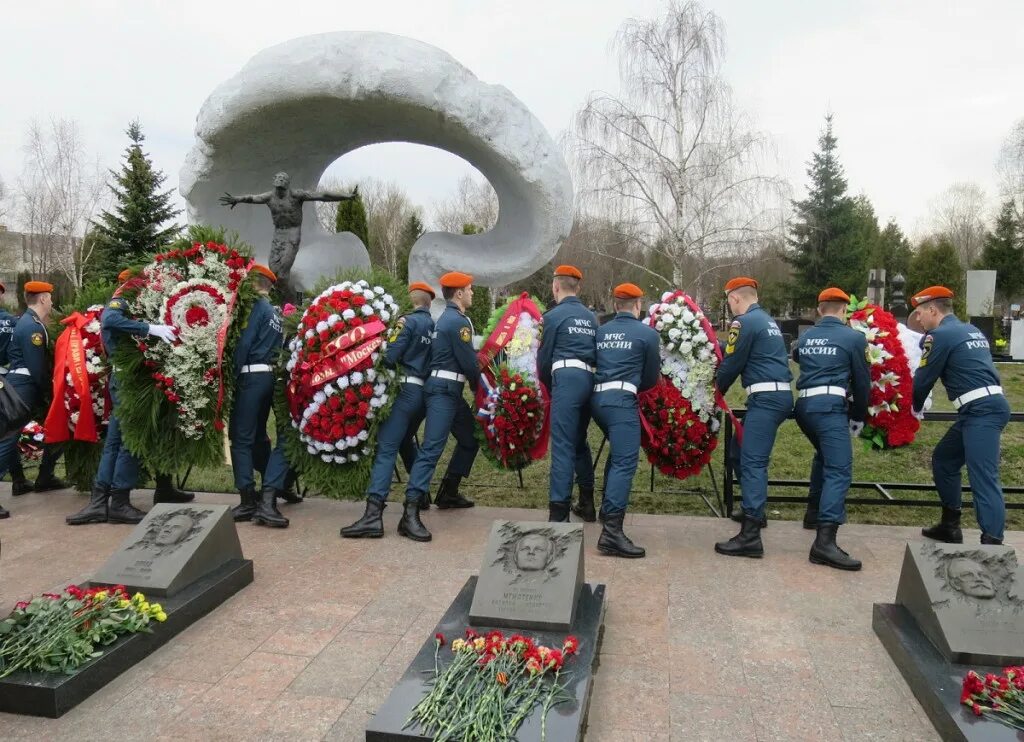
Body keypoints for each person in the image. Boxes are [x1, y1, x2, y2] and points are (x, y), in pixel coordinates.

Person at [66, 271, 177, 525]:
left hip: (124, 380)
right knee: (129, 442)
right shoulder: (122, 299)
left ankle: (99, 501)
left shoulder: (130, 300)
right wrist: (149, 328)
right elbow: (110, 320)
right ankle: (119, 503)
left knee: (115, 442)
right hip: (128, 382)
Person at [910, 285, 1011, 546]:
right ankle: (950, 526)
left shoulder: (939, 335)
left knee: (983, 476)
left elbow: (923, 380)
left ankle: (993, 544)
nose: (917, 319)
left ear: (933, 310)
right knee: (944, 460)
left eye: (920, 313)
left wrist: (913, 409)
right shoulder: (970, 329)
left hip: (982, 412)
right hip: (978, 409)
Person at [342, 281, 436, 539]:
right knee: (407, 441)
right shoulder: (433, 326)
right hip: (421, 394)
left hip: (402, 391)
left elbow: (390, 355)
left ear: (411, 301)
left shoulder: (407, 322)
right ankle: (421, 496)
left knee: (386, 450)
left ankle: (373, 516)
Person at [791, 287, 870, 571]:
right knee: (839, 468)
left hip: (804, 407)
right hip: (829, 409)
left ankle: (813, 513)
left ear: (820, 309)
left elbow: (799, 356)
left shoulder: (806, 337)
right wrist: (859, 416)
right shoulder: (853, 338)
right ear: (844, 310)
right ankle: (825, 543)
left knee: (824, 456)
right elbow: (863, 382)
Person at [714, 277, 793, 559]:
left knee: (752, 461)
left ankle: (751, 536)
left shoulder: (743, 322)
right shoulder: (767, 320)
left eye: (728, 301)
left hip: (766, 399)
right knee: (738, 450)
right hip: (776, 395)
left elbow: (732, 364)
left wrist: (714, 394)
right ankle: (753, 511)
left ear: (735, 298)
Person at [402, 271, 480, 534]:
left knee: (470, 438)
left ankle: (449, 490)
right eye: (469, 289)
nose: (472, 293)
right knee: (432, 448)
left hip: (449, 390)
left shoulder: (447, 319)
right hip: (443, 391)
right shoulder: (457, 322)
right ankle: (410, 511)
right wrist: (482, 389)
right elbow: (469, 362)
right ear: (458, 293)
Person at [590, 283, 660, 558]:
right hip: (622, 401)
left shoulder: (601, 331)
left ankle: (607, 511)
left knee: (617, 455)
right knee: (625, 461)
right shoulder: (647, 334)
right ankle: (611, 534)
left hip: (598, 400)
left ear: (616, 305)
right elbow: (651, 377)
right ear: (638, 304)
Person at [219, 172, 358, 299]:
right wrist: (236, 199)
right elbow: (251, 198)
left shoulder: (296, 195)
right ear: (274, 180)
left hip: (292, 233)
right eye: (278, 177)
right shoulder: (269, 197)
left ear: (288, 183)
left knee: (283, 271)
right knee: (273, 271)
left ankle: (293, 299)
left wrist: (346, 196)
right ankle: (288, 296)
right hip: (278, 233)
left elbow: (322, 196)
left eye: (284, 178)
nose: (280, 179)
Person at [537, 265, 598, 522]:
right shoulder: (591, 318)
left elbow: (543, 360)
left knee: (562, 445)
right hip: (589, 379)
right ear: (578, 288)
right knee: (578, 442)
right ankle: (586, 502)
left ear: (555, 286)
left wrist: (552, 387)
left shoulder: (552, 316)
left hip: (565, 379)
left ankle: (558, 513)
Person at [229, 264, 286, 527]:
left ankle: (247, 498)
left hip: (250, 376)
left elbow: (244, 343)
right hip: (267, 377)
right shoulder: (273, 312)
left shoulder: (254, 307)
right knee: (259, 435)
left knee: (240, 437)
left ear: (254, 282)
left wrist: (230, 375)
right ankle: (271, 487)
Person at [0, 282, 31, 499]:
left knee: (7, 432)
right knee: (8, 431)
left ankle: (19, 478)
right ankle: (18, 479)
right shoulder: (13, 322)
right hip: (6, 380)